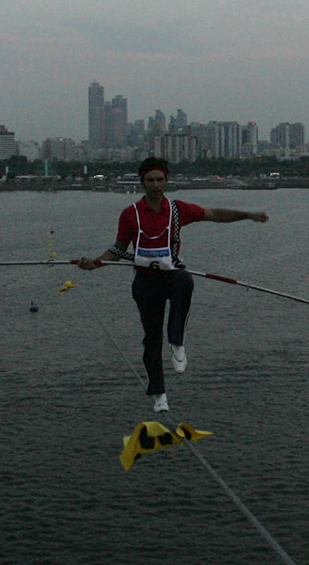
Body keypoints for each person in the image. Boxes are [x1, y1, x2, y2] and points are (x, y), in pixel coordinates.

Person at [75, 157, 269, 411]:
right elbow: (118, 249)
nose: (155, 185)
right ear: (143, 182)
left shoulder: (177, 210)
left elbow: (213, 214)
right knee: (151, 338)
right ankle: (158, 392)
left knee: (184, 279)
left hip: (170, 275)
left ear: (166, 181)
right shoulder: (130, 214)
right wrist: (95, 263)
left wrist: (247, 215)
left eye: (160, 180)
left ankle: (177, 341)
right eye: (150, 180)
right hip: (145, 281)